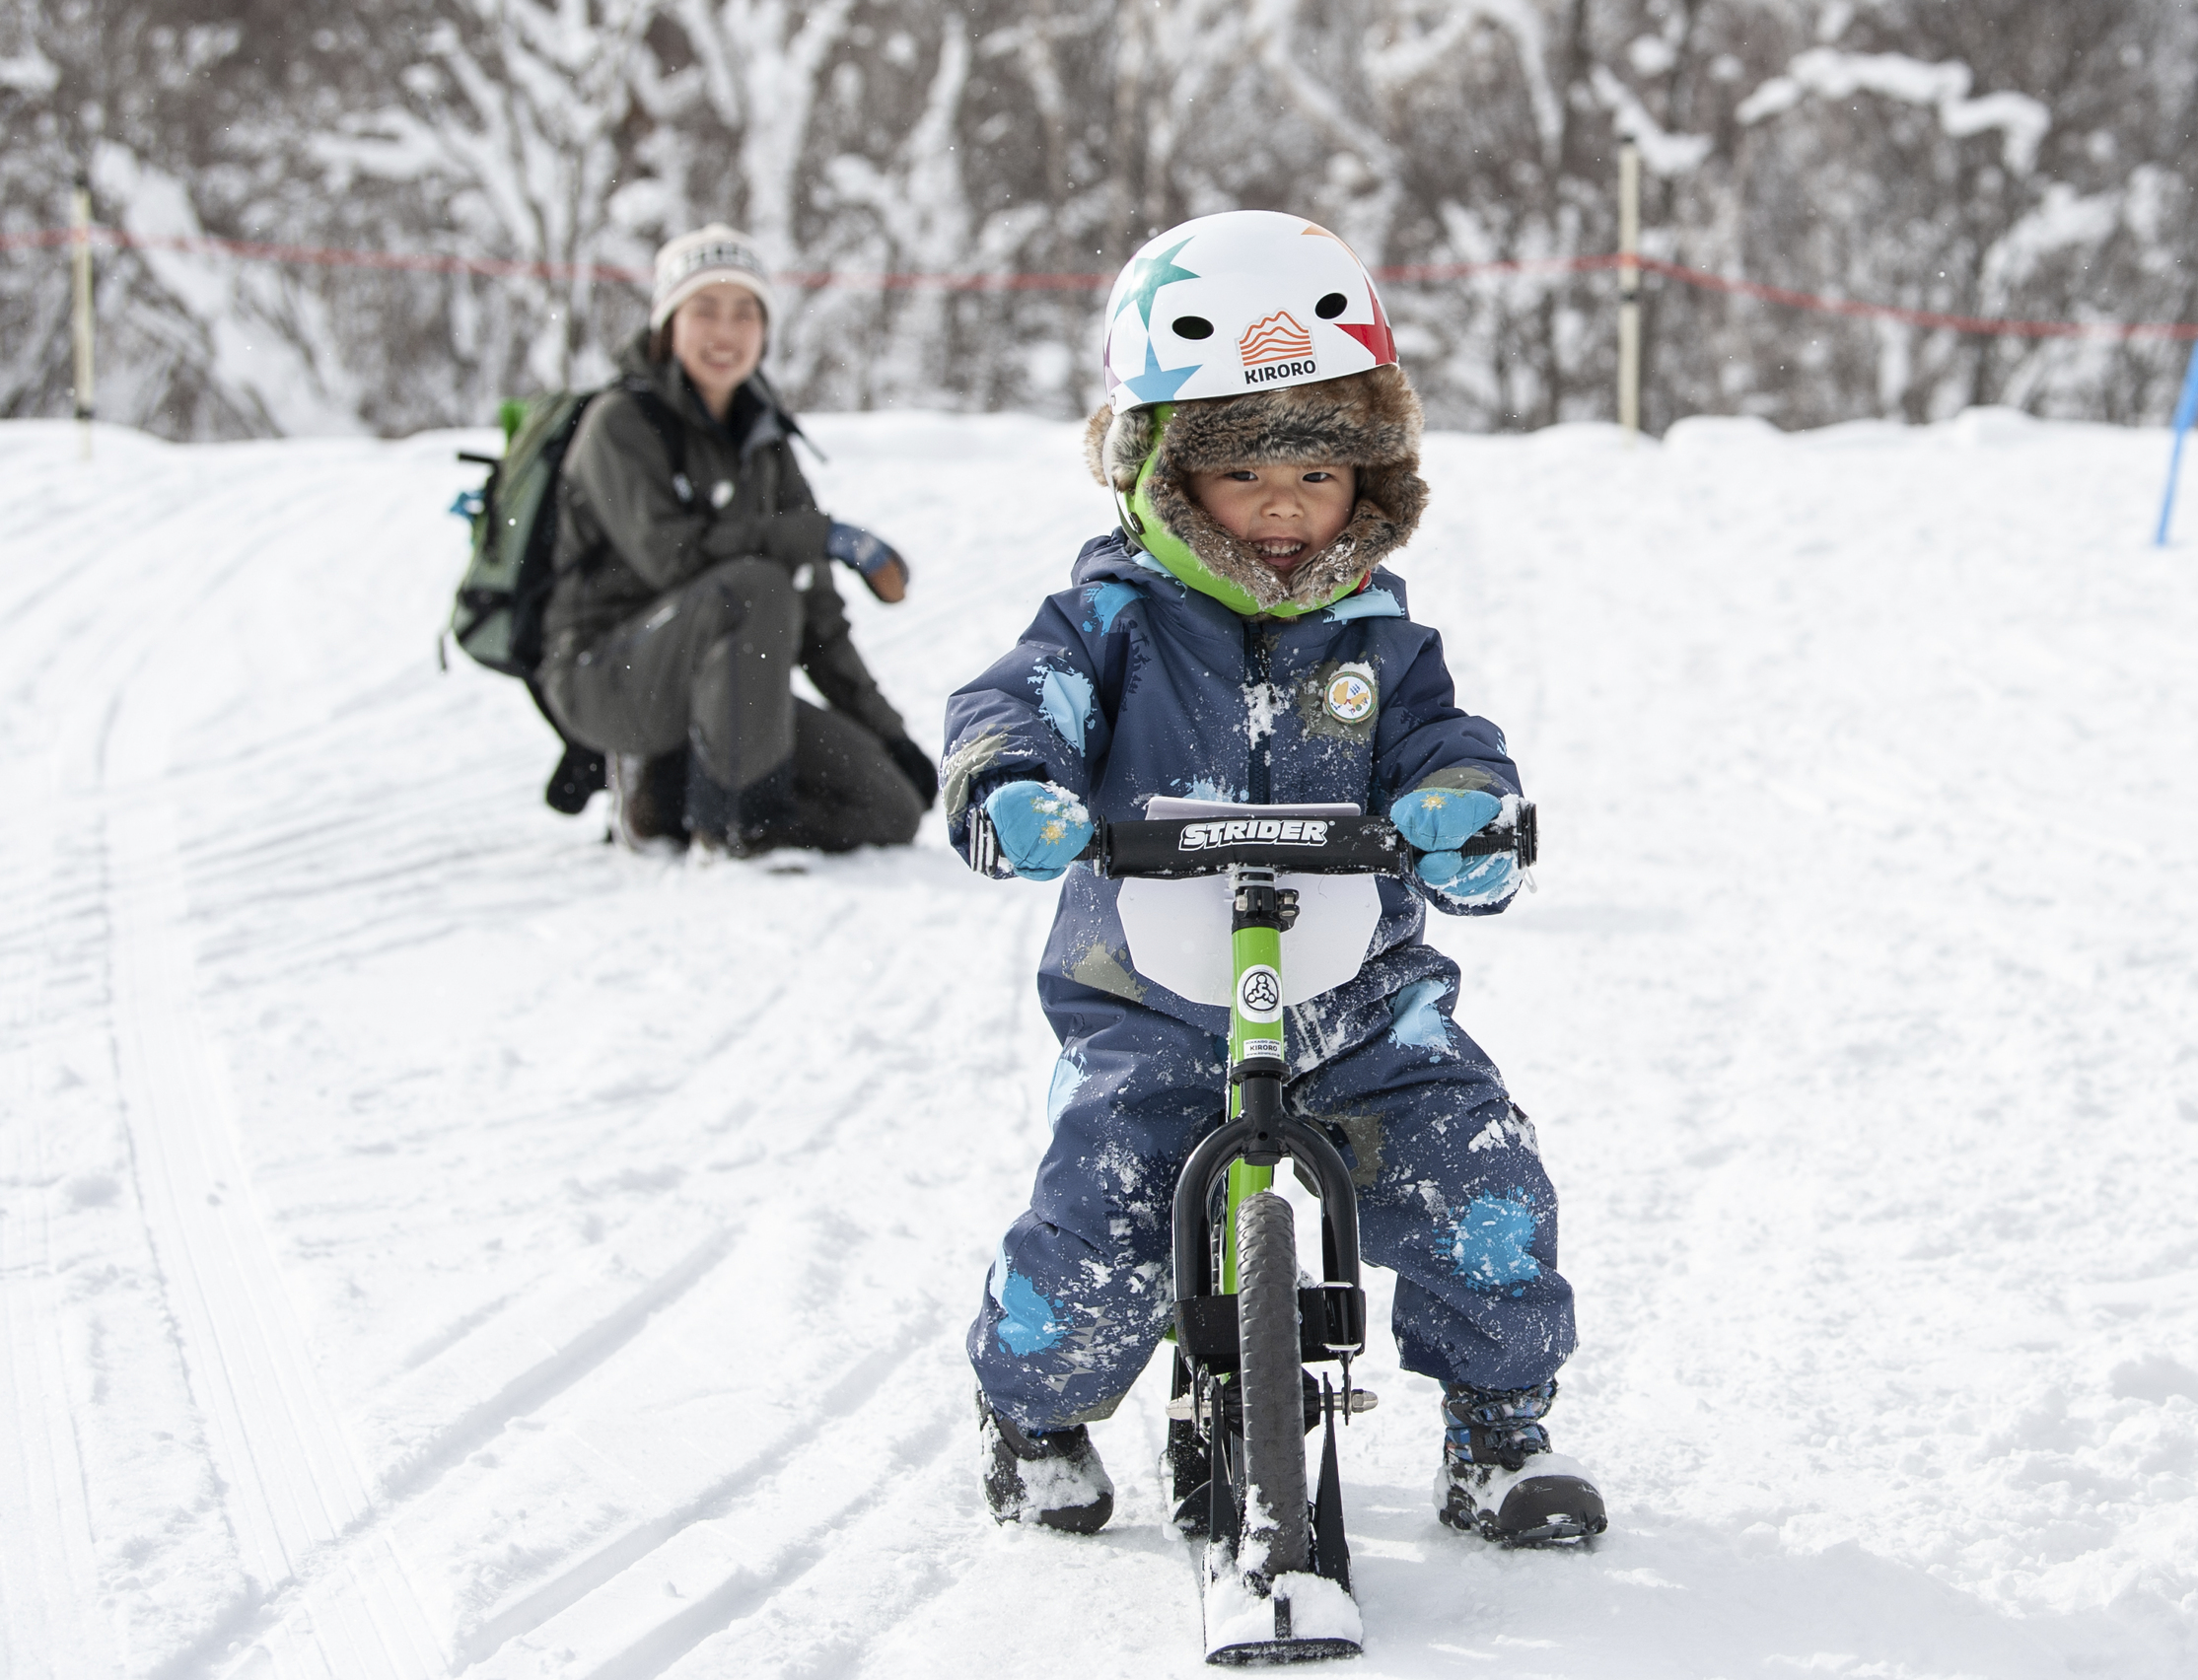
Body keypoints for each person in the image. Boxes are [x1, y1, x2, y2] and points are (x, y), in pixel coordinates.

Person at [940, 210, 1605, 1545]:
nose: (1292, 500)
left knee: (1477, 1171)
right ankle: (1036, 1409)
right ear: (1167, 475)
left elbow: (1442, 744)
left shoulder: (1379, 639)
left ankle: (1496, 1433)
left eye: (1327, 464)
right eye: (1248, 468)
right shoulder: (1112, 620)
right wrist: (1014, 782)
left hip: (1358, 995)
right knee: (1102, 1217)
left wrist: (1458, 811)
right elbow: (1021, 700)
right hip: (1155, 994)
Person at [538, 223, 935, 857]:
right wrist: (814, 535)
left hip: (720, 693)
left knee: (887, 806)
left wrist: (890, 736)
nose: (726, 332)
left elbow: (819, 617)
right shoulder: (620, 424)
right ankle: (732, 826)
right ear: (669, 322)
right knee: (753, 585)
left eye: (745, 312)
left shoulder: (766, 442)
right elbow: (672, 559)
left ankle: (670, 795)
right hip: (605, 674)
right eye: (705, 309)